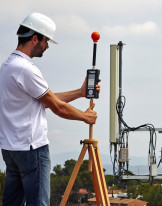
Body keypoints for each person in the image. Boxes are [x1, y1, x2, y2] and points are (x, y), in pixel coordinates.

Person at [0, 13, 100, 205]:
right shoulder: (26, 69)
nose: (46, 46)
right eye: (46, 40)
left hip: (11, 150)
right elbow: (57, 107)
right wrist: (85, 117)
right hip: (32, 149)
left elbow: (45, 101)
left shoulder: (7, 67)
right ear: (35, 38)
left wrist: (80, 93)